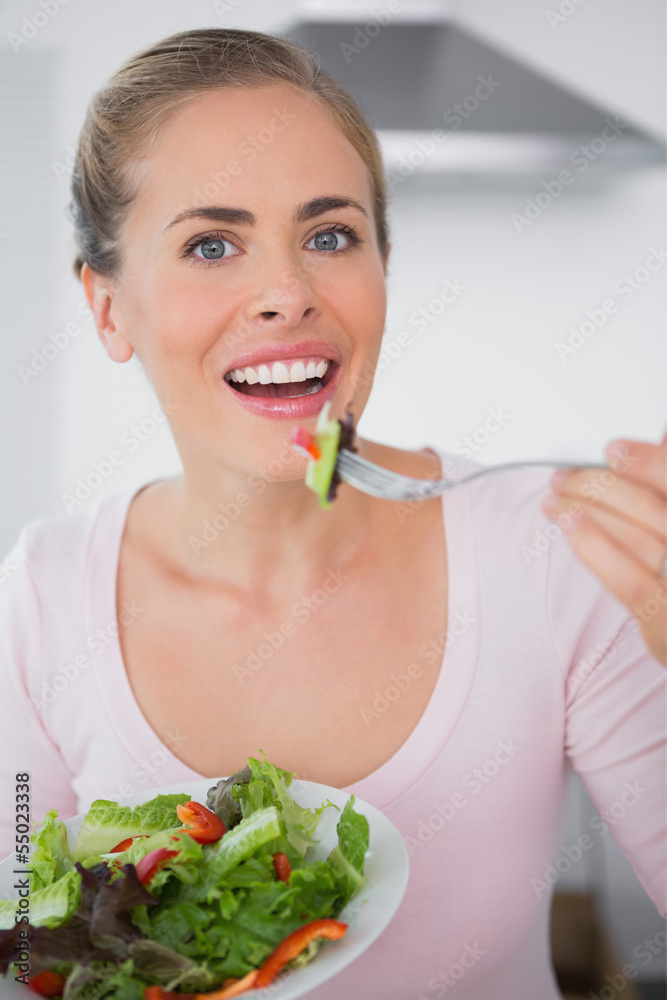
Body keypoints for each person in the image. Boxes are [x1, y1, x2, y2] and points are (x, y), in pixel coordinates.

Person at [0, 27, 665, 1000]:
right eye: (211, 244)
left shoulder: (548, 546)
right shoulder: (45, 593)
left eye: (329, 235)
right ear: (109, 308)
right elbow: (20, 939)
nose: (286, 293)